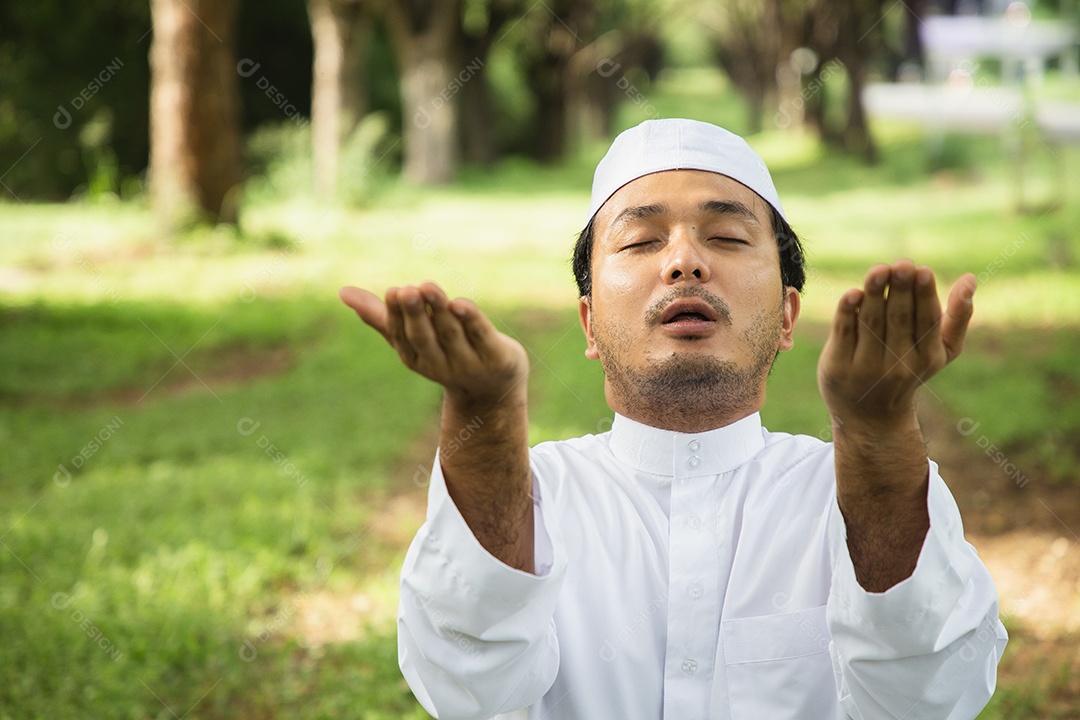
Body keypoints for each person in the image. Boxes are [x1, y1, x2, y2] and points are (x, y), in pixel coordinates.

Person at [339, 118, 1008, 719]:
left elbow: (929, 696)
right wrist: (484, 415)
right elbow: (466, 689)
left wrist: (878, 431)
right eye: (639, 242)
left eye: (726, 236)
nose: (685, 260)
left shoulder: (850, 493)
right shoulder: (534, 497)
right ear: (589, 320)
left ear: (786, 317)